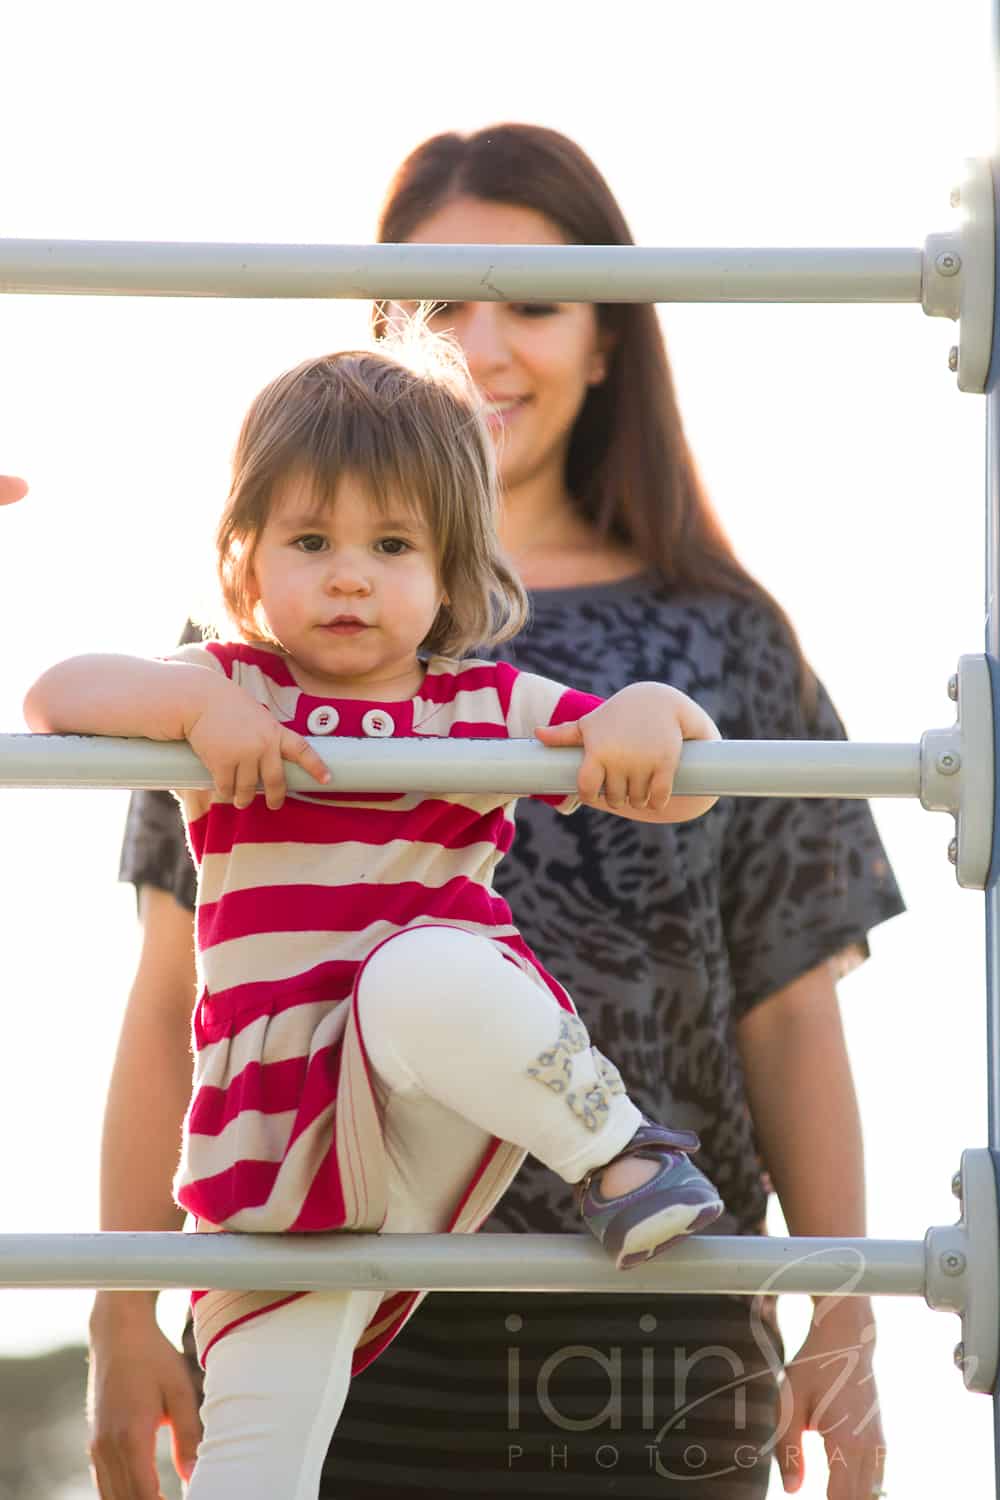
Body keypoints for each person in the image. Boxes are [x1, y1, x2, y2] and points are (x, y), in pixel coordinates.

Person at [88, 125, 904, 1500]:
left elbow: (789, 1009)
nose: (482, 343)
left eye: (533, 301)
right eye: (436, 303)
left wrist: (846, 1307)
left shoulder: (725, 637)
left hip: (647, 1330)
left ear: (606, 340)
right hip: (321, 1280)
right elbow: (174, 988)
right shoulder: (244, 663)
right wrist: (117, 1308)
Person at [27, 335, 730, 1498]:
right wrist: (193, 707)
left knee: (415, 971)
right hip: (272, 1153)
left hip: (430, 1082)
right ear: (246, 559)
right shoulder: (236, 693)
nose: (350, 576)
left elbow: (667, 768)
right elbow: (55, 694)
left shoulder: (479, 707)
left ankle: (620, 1159)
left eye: (391, 546)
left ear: (450, 574)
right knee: (248, 1461)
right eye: (312, 542)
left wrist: (649, 710)